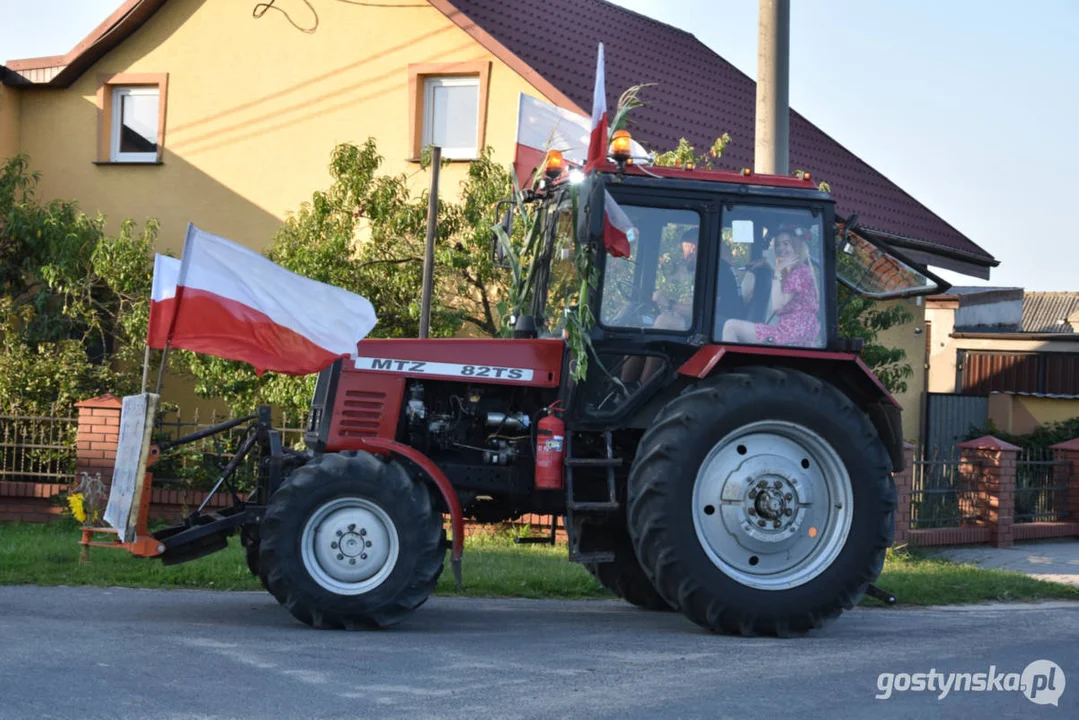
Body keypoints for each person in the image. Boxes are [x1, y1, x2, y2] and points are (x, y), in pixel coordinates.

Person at [722, 228, 820, 347]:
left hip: (789, 334)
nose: (780, 249)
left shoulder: (797, 273)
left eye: (786, 243)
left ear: (796, 245)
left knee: (730, 327)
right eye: (777, 244)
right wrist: (770, 267)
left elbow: (778, 306)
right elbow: (785, 288)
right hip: (799, 331)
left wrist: (777, 271)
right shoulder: (803, 270)